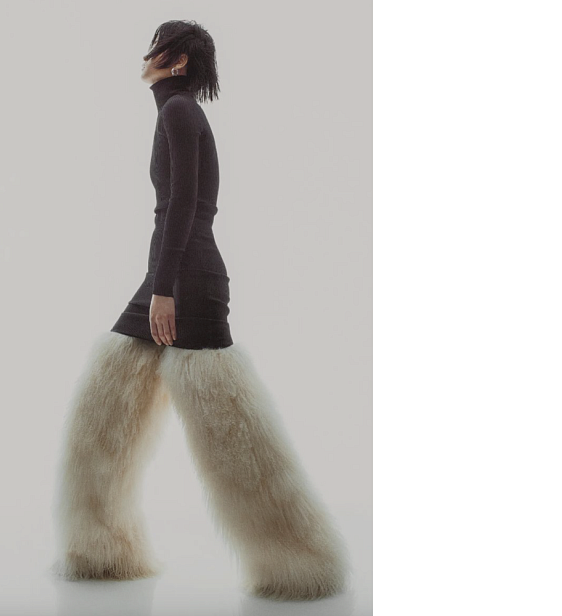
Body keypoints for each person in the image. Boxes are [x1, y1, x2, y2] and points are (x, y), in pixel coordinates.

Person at [51, 20, 350, 601]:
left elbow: (184, 205)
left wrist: (164, 290)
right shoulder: (175, 111)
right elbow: (174, 210)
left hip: (186, 278)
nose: (146, 53)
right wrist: (157, 284)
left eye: (157, 45)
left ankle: (300, 561)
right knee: (106, 408)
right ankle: (102, 550)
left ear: (177, 60)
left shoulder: (179, 112)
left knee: (230, 432)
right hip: (168, 274)